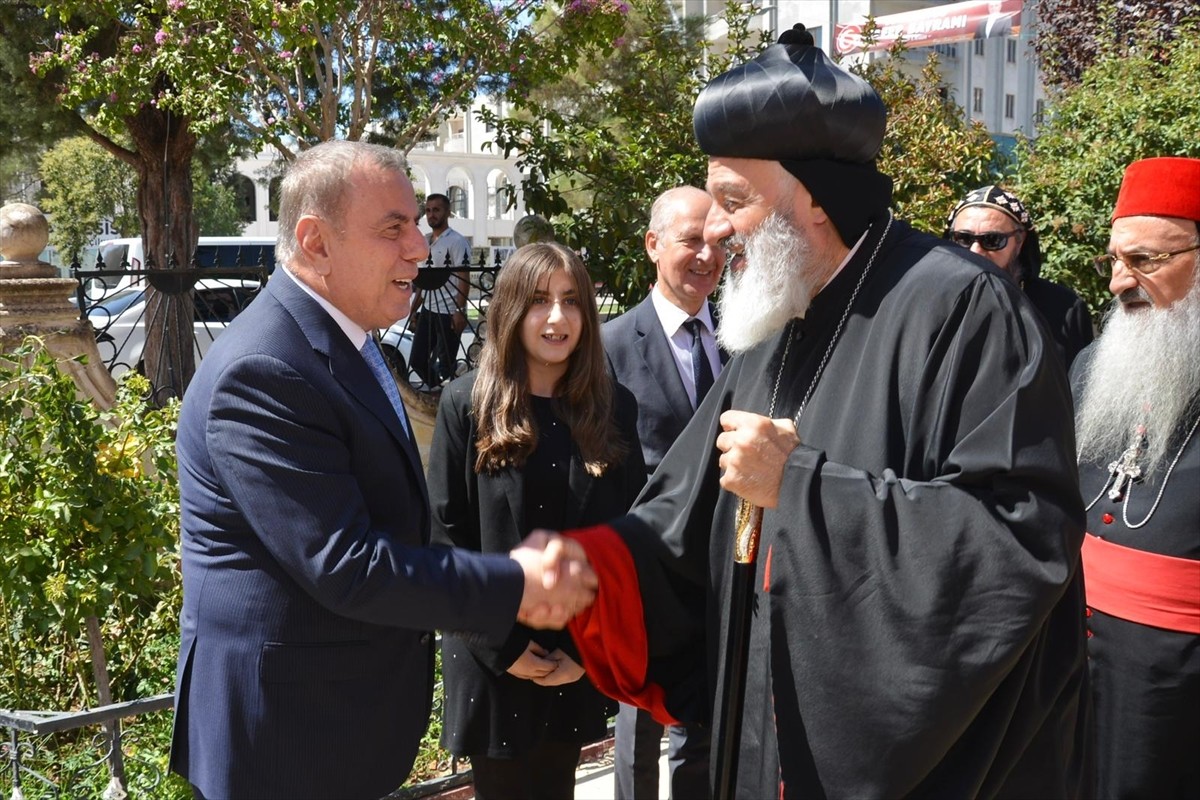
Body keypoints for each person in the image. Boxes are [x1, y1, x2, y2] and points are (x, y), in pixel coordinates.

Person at [548, 25, 1092, 798]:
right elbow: (681, 515)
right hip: (760, 730)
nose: (717, 229)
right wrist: (584, 574)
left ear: (811, 196)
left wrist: (802, 486)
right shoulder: (780, 312)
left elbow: (1021, 540)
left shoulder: (964, 309)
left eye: (734, 200)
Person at [170, 141, 595, 800]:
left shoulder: (342, 342)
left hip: (330, 731)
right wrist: (516, 583)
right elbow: (346, 565)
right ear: (316, 242)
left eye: (415, 225)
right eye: (392, 228)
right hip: (284, 742)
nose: (420, 248)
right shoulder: (266, 369)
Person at [427, 242, 646, 800]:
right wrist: (503, 647)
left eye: (571, 300)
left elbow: (630, 538)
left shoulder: (613, 408)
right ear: (510, 309)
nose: (557, 317)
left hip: (574, 657)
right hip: (493, 660)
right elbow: (445, 541)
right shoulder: (466, 405)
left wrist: (586, 650)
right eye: (539, 301)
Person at [1072, 156, 1200, 799]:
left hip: (1179, 675)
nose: (1121, 281)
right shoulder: (1094, 363)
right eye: (1116, 260)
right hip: (1075, 645)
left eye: (1145, 260)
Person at [601, 185, 724, 800]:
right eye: (690, 240)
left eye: (717, 241)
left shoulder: (746, 334)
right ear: (653, 245)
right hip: (644, 566)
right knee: (638, 725)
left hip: (722, 562)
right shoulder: (611, 344)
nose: (707, 254)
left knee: (702, 727)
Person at [945, 185, 1094, 367]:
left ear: (1019, 241)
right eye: (963, 239)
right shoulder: (930, 301)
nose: (975, 251)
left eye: (992, 240)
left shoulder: (1063, 309)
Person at [411, 192, 471, 387]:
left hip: (449, 313)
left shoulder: (457, 241)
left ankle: (444, 397)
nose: (431, 214)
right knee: (417, 361)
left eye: (436, 210)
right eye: (428, 210)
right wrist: (413, 310)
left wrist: (459, 311)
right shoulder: (425, 240)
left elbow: (464, 277)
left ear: (447, 212)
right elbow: (424, 281)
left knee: (446, 366)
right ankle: (437, 392)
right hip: (428, 310)